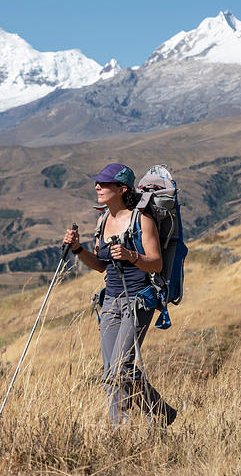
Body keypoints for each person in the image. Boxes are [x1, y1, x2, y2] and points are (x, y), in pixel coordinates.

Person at [63, 162, 177, 426]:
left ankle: (160, 412)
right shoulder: (103, 220)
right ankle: (120, 427)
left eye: (104, 184)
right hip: (111, 301)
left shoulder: (142, 220)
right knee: (109, 373)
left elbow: (156, 263)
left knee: (120, 368)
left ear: (121, 189)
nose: (97, 187)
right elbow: (102, 266)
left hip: (138, 300)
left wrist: (131, 256)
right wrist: (79, 249)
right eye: (97, 183)